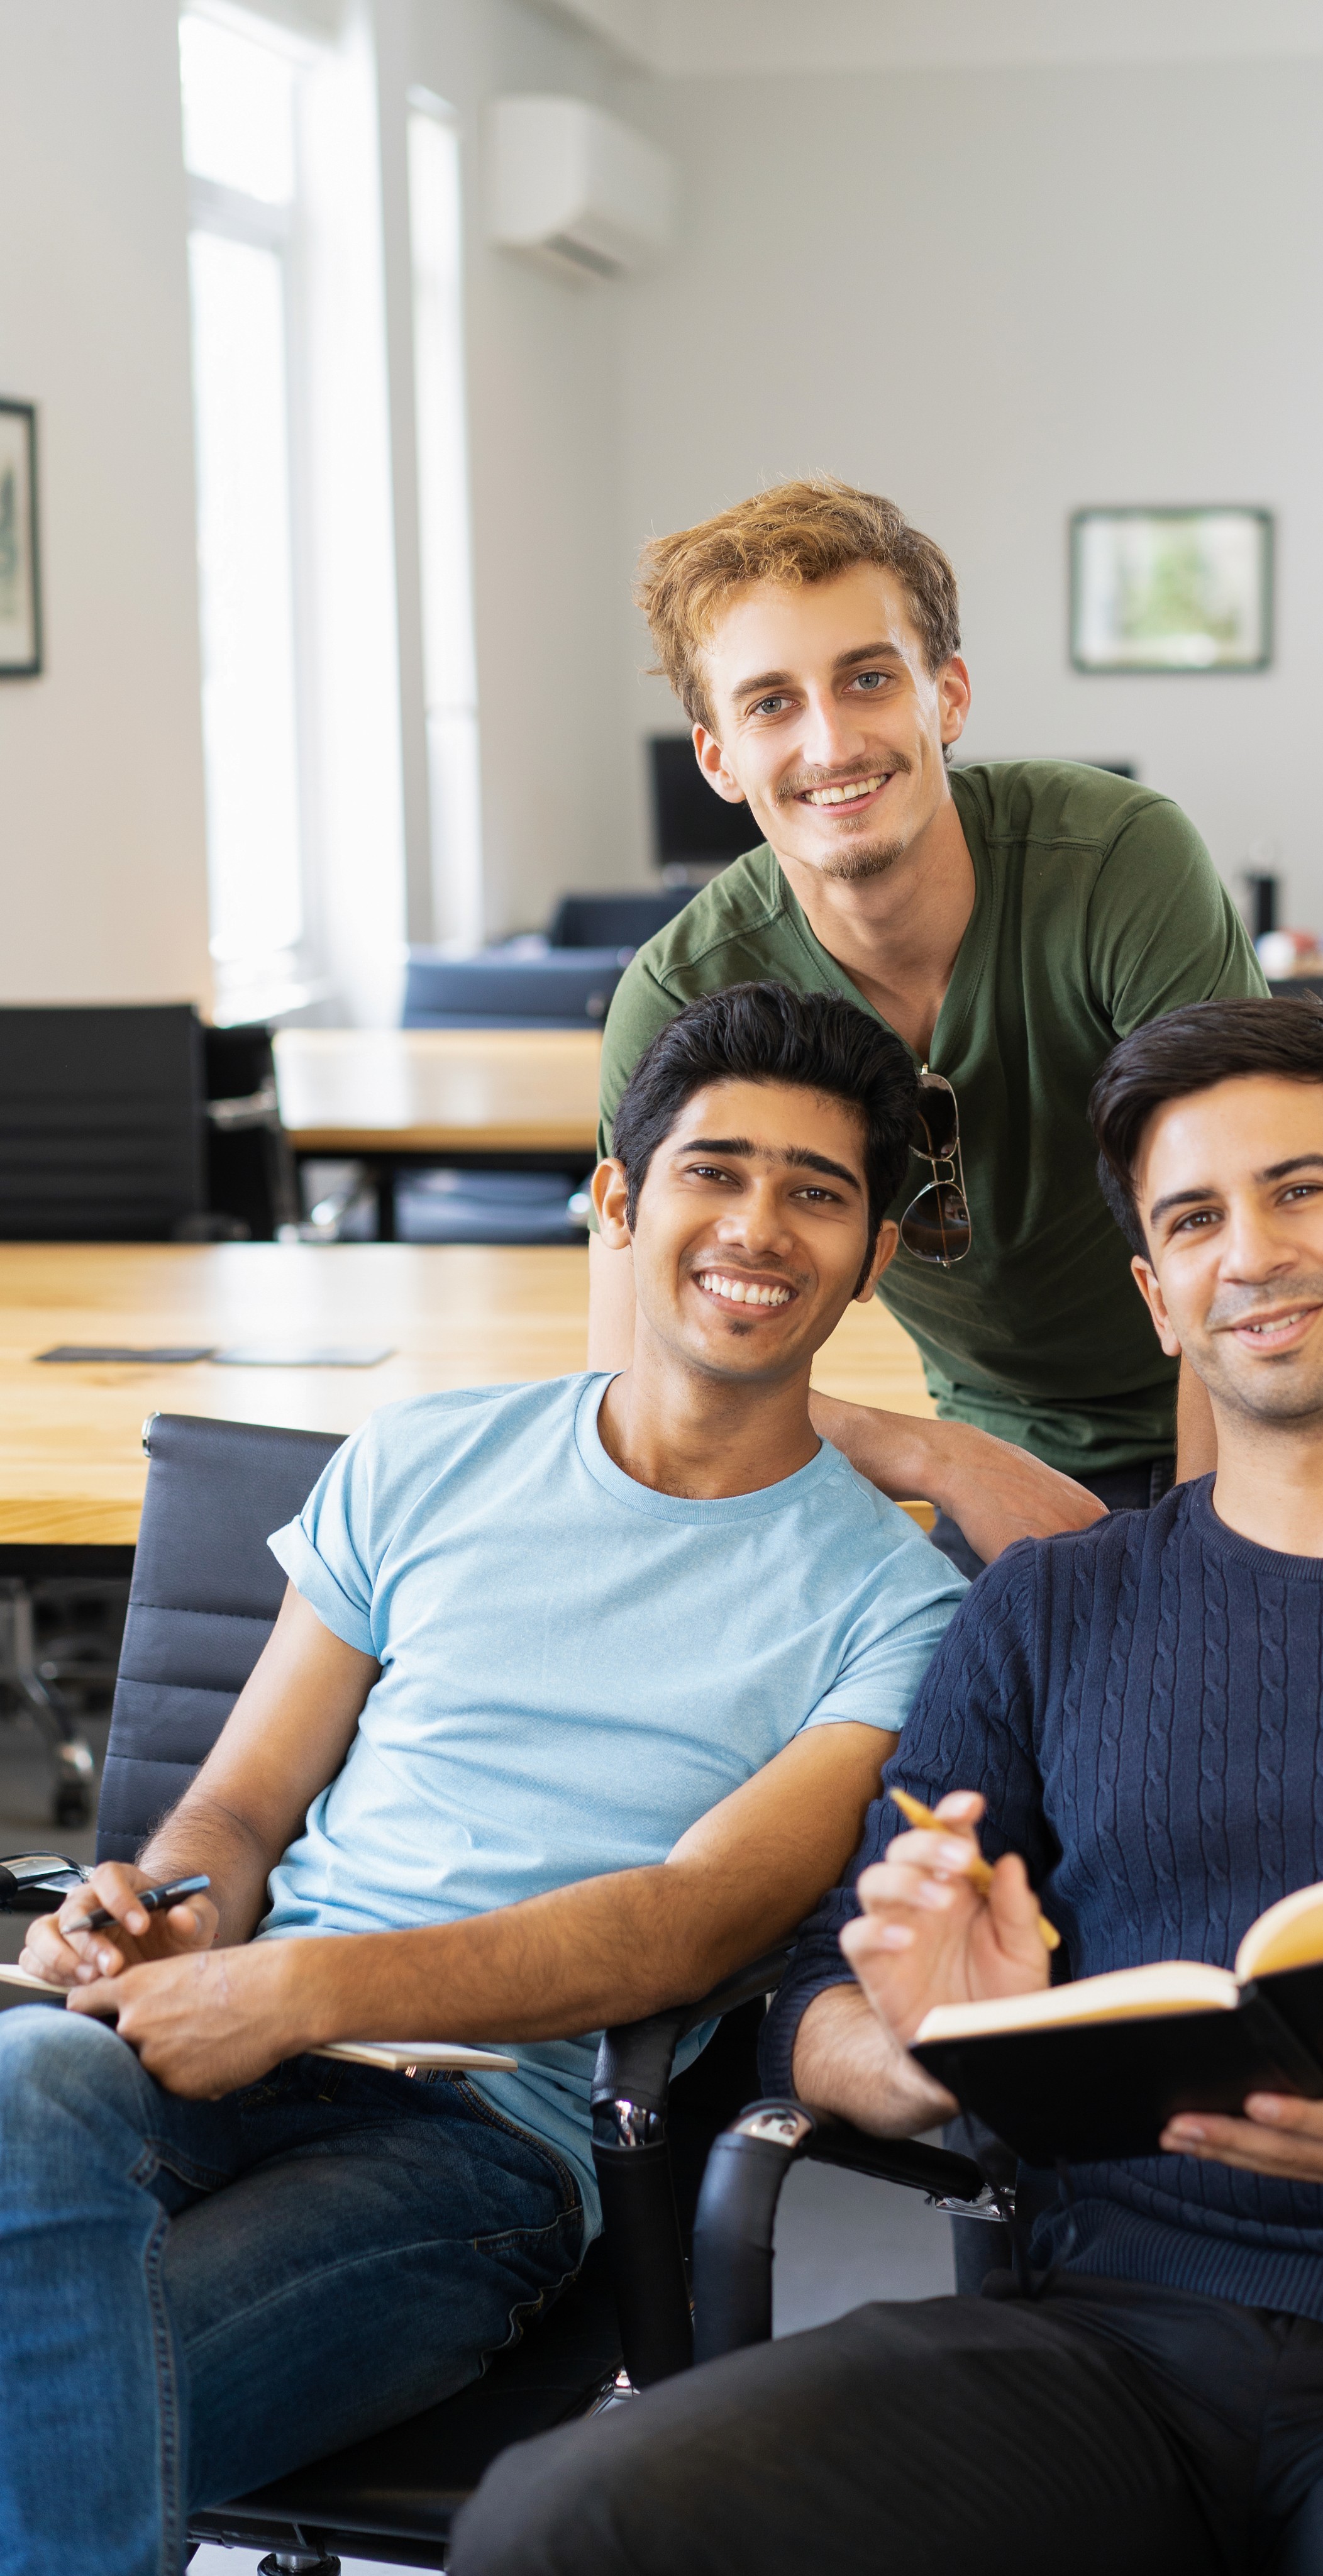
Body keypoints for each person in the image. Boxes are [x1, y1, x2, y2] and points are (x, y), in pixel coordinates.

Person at [452, 996, 1323, 2576]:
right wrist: (916, 2043)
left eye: (1300, 1189)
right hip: (1106, 2346)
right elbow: (812, 2018)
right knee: (568, 2517)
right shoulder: (1051, 1611)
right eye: (1193, 1219)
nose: (1248, 1251)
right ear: (1157, 1295)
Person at [0, 984, 965, 2576]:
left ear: (868, 1255)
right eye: (713, 1170)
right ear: (615, 1196)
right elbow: (236, 1809)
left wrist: (302, 1987)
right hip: (213, 2042)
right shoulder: (420, 1453)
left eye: (818, 1190)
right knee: (33, 2074)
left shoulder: (896, 1606)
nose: (759, 1224)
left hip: (481, 2142)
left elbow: (687, 1922)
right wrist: (164, 1912)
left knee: (60, 2371)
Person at [595, 476, 1266, 1576]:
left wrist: (1197, 1577)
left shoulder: (1118, 863)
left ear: (947, 697)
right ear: (717, 756)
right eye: (770, 703)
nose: (831, 743)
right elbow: (631, 1377)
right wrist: (935, 1456)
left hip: (1260, 1395)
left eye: (868, 679)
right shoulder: (684, 992)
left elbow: (1234, 1239)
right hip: (998, 1445)